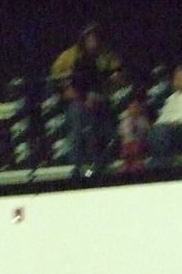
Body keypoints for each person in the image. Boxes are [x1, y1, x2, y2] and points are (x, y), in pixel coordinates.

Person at [51, 23, 124, 175]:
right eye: (89, 37)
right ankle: (77, 165)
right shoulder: (69, 56)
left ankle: (100, 163)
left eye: (95, 37)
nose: (93, 40)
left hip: (101, 100)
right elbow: (55, 77)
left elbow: (116, 77)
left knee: (106, 129)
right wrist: (66, 90)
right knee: (79, 119)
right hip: (75, 100)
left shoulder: (107, 56)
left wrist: (110, 83)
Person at [146, 64, 182, 160]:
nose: (179, 79)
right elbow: (163, 117)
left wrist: (179, 121)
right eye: (177, 77)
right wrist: (157, 125)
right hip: (169, 128)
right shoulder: (171, 98)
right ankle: (160, 161)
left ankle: (162, 161)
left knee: (163, 132)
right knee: (155, 131)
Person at [117, 95, 150, 172]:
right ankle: (127, 163)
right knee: (127, 146)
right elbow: (122, 133)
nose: (134, 110)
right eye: (131, 108)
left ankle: (137, 163)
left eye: (136, 107)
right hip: (127, 143)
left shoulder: (143, 120)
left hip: (140, 143)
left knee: (136, 145)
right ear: (128, 109)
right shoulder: (124, 121)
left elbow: (145, 132)